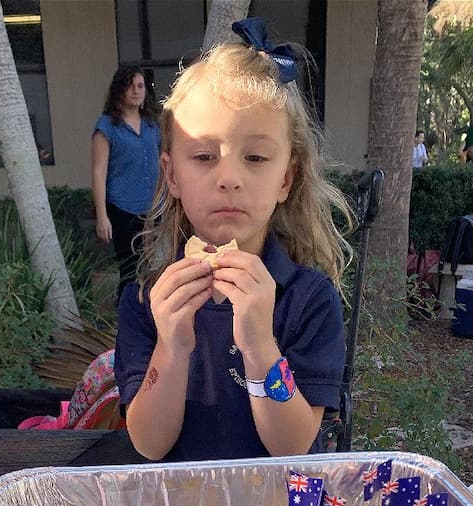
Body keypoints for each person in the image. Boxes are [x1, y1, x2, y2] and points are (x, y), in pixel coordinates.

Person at [114, 17, 353, 463]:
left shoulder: (308, 299)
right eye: (204, 156)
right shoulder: (148, 301)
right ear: (172, 174)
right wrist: (173, 345)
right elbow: (148, 442)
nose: (228, 178)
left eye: (256, 157)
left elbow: (293, 445)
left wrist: (260, 345)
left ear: (286, 178)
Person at [92, 66, 161, 302]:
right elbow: (98, 172)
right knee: (130, 269)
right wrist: (102, 216)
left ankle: (150, 317)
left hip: (153, 209)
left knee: (155, 268)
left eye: (140, 86)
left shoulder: (152, 125)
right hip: (122, 209)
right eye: (130, 86)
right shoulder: (106, 127)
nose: (136, 91)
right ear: (119, 90)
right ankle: (126, 319)